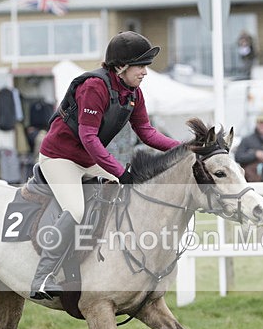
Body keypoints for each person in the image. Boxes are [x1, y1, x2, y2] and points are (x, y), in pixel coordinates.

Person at [30, 31, 181, 299]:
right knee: (75, 210)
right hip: (59, 158)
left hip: (87, 160)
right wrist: (120, 171)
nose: (145, 72)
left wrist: (183, 149)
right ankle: (42, 278)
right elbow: (88, 137)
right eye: (141, 65)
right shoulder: (94, 87)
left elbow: (146, 131)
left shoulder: (133, 92)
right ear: (121, 66)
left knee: (128, 197)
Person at [234, 115, 263, 183]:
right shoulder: (247, 140)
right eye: (261, 123)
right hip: (252, 181)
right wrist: (254, 154)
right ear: (257, 124)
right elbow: (238, 157)